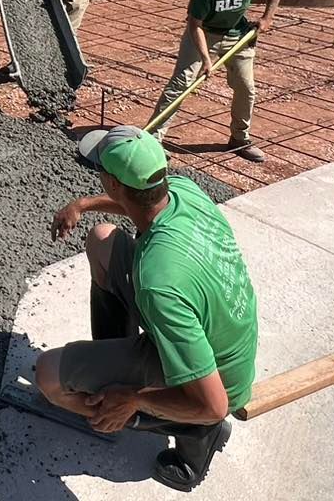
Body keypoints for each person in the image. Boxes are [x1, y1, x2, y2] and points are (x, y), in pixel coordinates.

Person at [35, 126, 258, 493]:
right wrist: (83, 205)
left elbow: (215, 404)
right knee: (103, 237)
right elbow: (133, 202)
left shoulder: (158, 281)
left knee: (48, 376)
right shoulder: (182, 190)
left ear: (113, 183)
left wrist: (133, 399)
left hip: (216, 386)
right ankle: (114, 370)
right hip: (215, 332)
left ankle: (188, 432)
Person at [150, 0, 282, 163]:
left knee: (245, 87)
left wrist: (267, 18)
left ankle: (240, 138)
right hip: (205, 33)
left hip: (238, 35)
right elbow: (195, 24)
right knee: (181, 83)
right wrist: (205, 58)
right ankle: (153, 139)